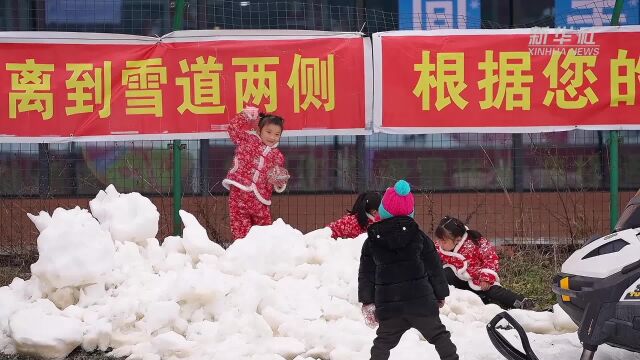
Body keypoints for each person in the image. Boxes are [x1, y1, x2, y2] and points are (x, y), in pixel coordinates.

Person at [358, 180, 459, 360]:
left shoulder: (372, 240)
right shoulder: (419, 237)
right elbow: (434, 267)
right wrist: (440, 293)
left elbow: (366, 274)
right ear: (410, 211)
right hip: (421, 303)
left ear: (383, 210)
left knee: (382, 342)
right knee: (439, 336)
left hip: (390, 306)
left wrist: (367, 301)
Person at [434, 216, 534, 310]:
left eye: (444, 241)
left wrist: (486, 278)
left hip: (478, 280)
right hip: (457, 281)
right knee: (445, 273)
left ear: (457, 239)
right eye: (439, 240)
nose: (440, 244)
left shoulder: (475, 243)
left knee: (495, 292)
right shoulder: (439, 247)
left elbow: (490, 258)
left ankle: (521, 303)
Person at [222, 106, 289, 240]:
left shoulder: (278, 156)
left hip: (260, 199)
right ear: (259, 130)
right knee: (240, 230)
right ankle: (242, 256)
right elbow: (233, 129)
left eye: (277, 134)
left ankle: (264, 257)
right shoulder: (248, 139)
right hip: (239, 193)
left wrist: (279, 181)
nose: (272, 137)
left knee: (264, 232)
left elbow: (276, 179)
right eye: (269, 132)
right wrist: (245, 116)